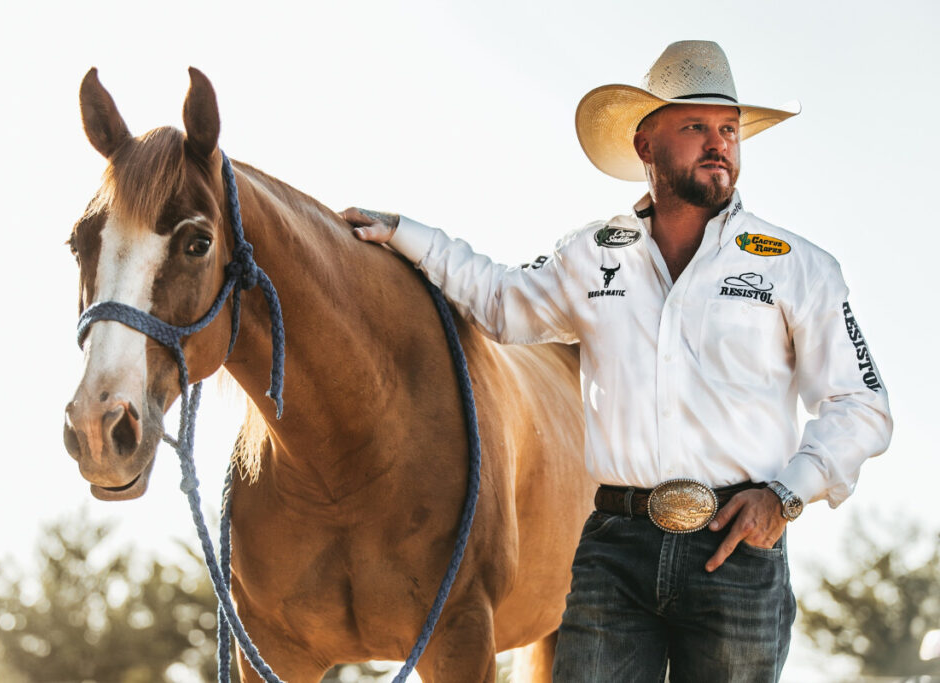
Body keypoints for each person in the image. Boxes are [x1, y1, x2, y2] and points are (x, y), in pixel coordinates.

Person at [342, 40, 892, 682]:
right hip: (615, 547)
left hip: (737, 552)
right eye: (695, 127)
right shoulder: (592, 253)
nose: (719, 145)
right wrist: (408, 234)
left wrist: (786, 495)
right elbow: (501, 301)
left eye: (729, 130)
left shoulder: (796, 266)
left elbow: (862, 406)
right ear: (645, 146)